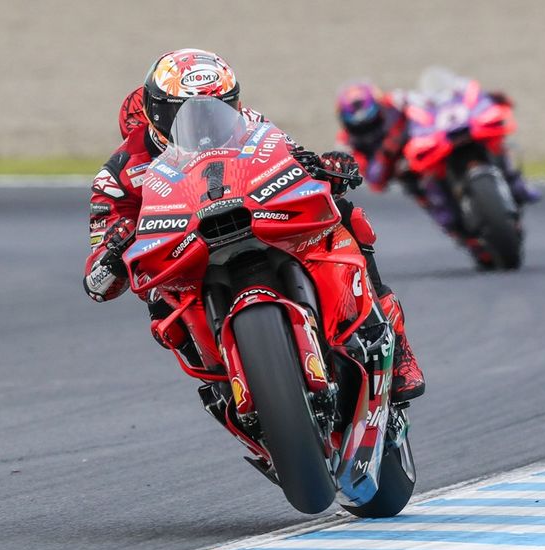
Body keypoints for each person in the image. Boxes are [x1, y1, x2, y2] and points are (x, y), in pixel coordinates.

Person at [83, 48, 424, 403]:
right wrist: (114, 251)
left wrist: (325, 169)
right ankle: (219, 384)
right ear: (155, 112)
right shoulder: (118, 174)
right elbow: (97, 284)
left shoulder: (249, 122)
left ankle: (395, 343)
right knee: (158, 300)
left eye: (216, 108)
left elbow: (295, 163)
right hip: (184, 258)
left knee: (342, 214)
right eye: (185, 112)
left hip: (253, 221)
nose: (203, 124)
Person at [335, 75, 539, 251]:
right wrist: (387, 152)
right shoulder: (348, 144)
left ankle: (514, 180)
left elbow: (425, 104)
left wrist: (482, 99)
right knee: (424, 189)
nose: (368, 130)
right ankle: (457, 230)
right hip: (408, 168)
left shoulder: (394, 102)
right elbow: (375, 180)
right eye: (360, 127)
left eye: (371, 122)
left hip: (427, 142)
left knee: (493, 143)